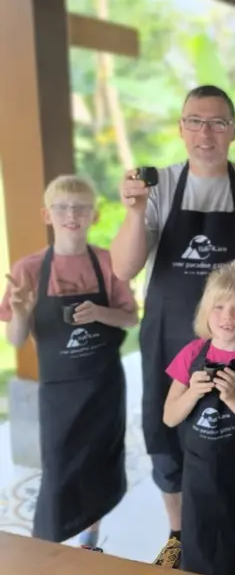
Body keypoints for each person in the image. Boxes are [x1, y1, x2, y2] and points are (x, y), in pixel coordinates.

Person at [111, 84, 235, 575]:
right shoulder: (160, 187)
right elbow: (124, 266)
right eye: (195, 120)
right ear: (181, 128)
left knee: (233, 442)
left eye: (217, 122)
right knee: (167, 436)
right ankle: (180, 536)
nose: (205, 132)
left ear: (233, 131)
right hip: (171, 339)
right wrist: (133, 211)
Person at [1, 174, 138, 550]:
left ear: (94, 216)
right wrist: (22, 313)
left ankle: (89, 541)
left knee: (99, 464)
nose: (71, 214)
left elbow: (130, 317)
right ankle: (45, 549)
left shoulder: (108, 263)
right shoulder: (29, 269)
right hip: (58, 390)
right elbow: (15, 339)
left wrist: (99, 312)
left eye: (80, 207)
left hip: (103, 384)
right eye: (62, 207)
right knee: (58, 469)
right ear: (47, 214)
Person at [163, 261, 235, 575]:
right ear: (205, 313)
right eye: (219, 308)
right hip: (197, 471)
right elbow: (169, 415)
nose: (227, 317)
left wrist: (233, 399)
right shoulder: (191, 355)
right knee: (198, 542)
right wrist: (191, 394)